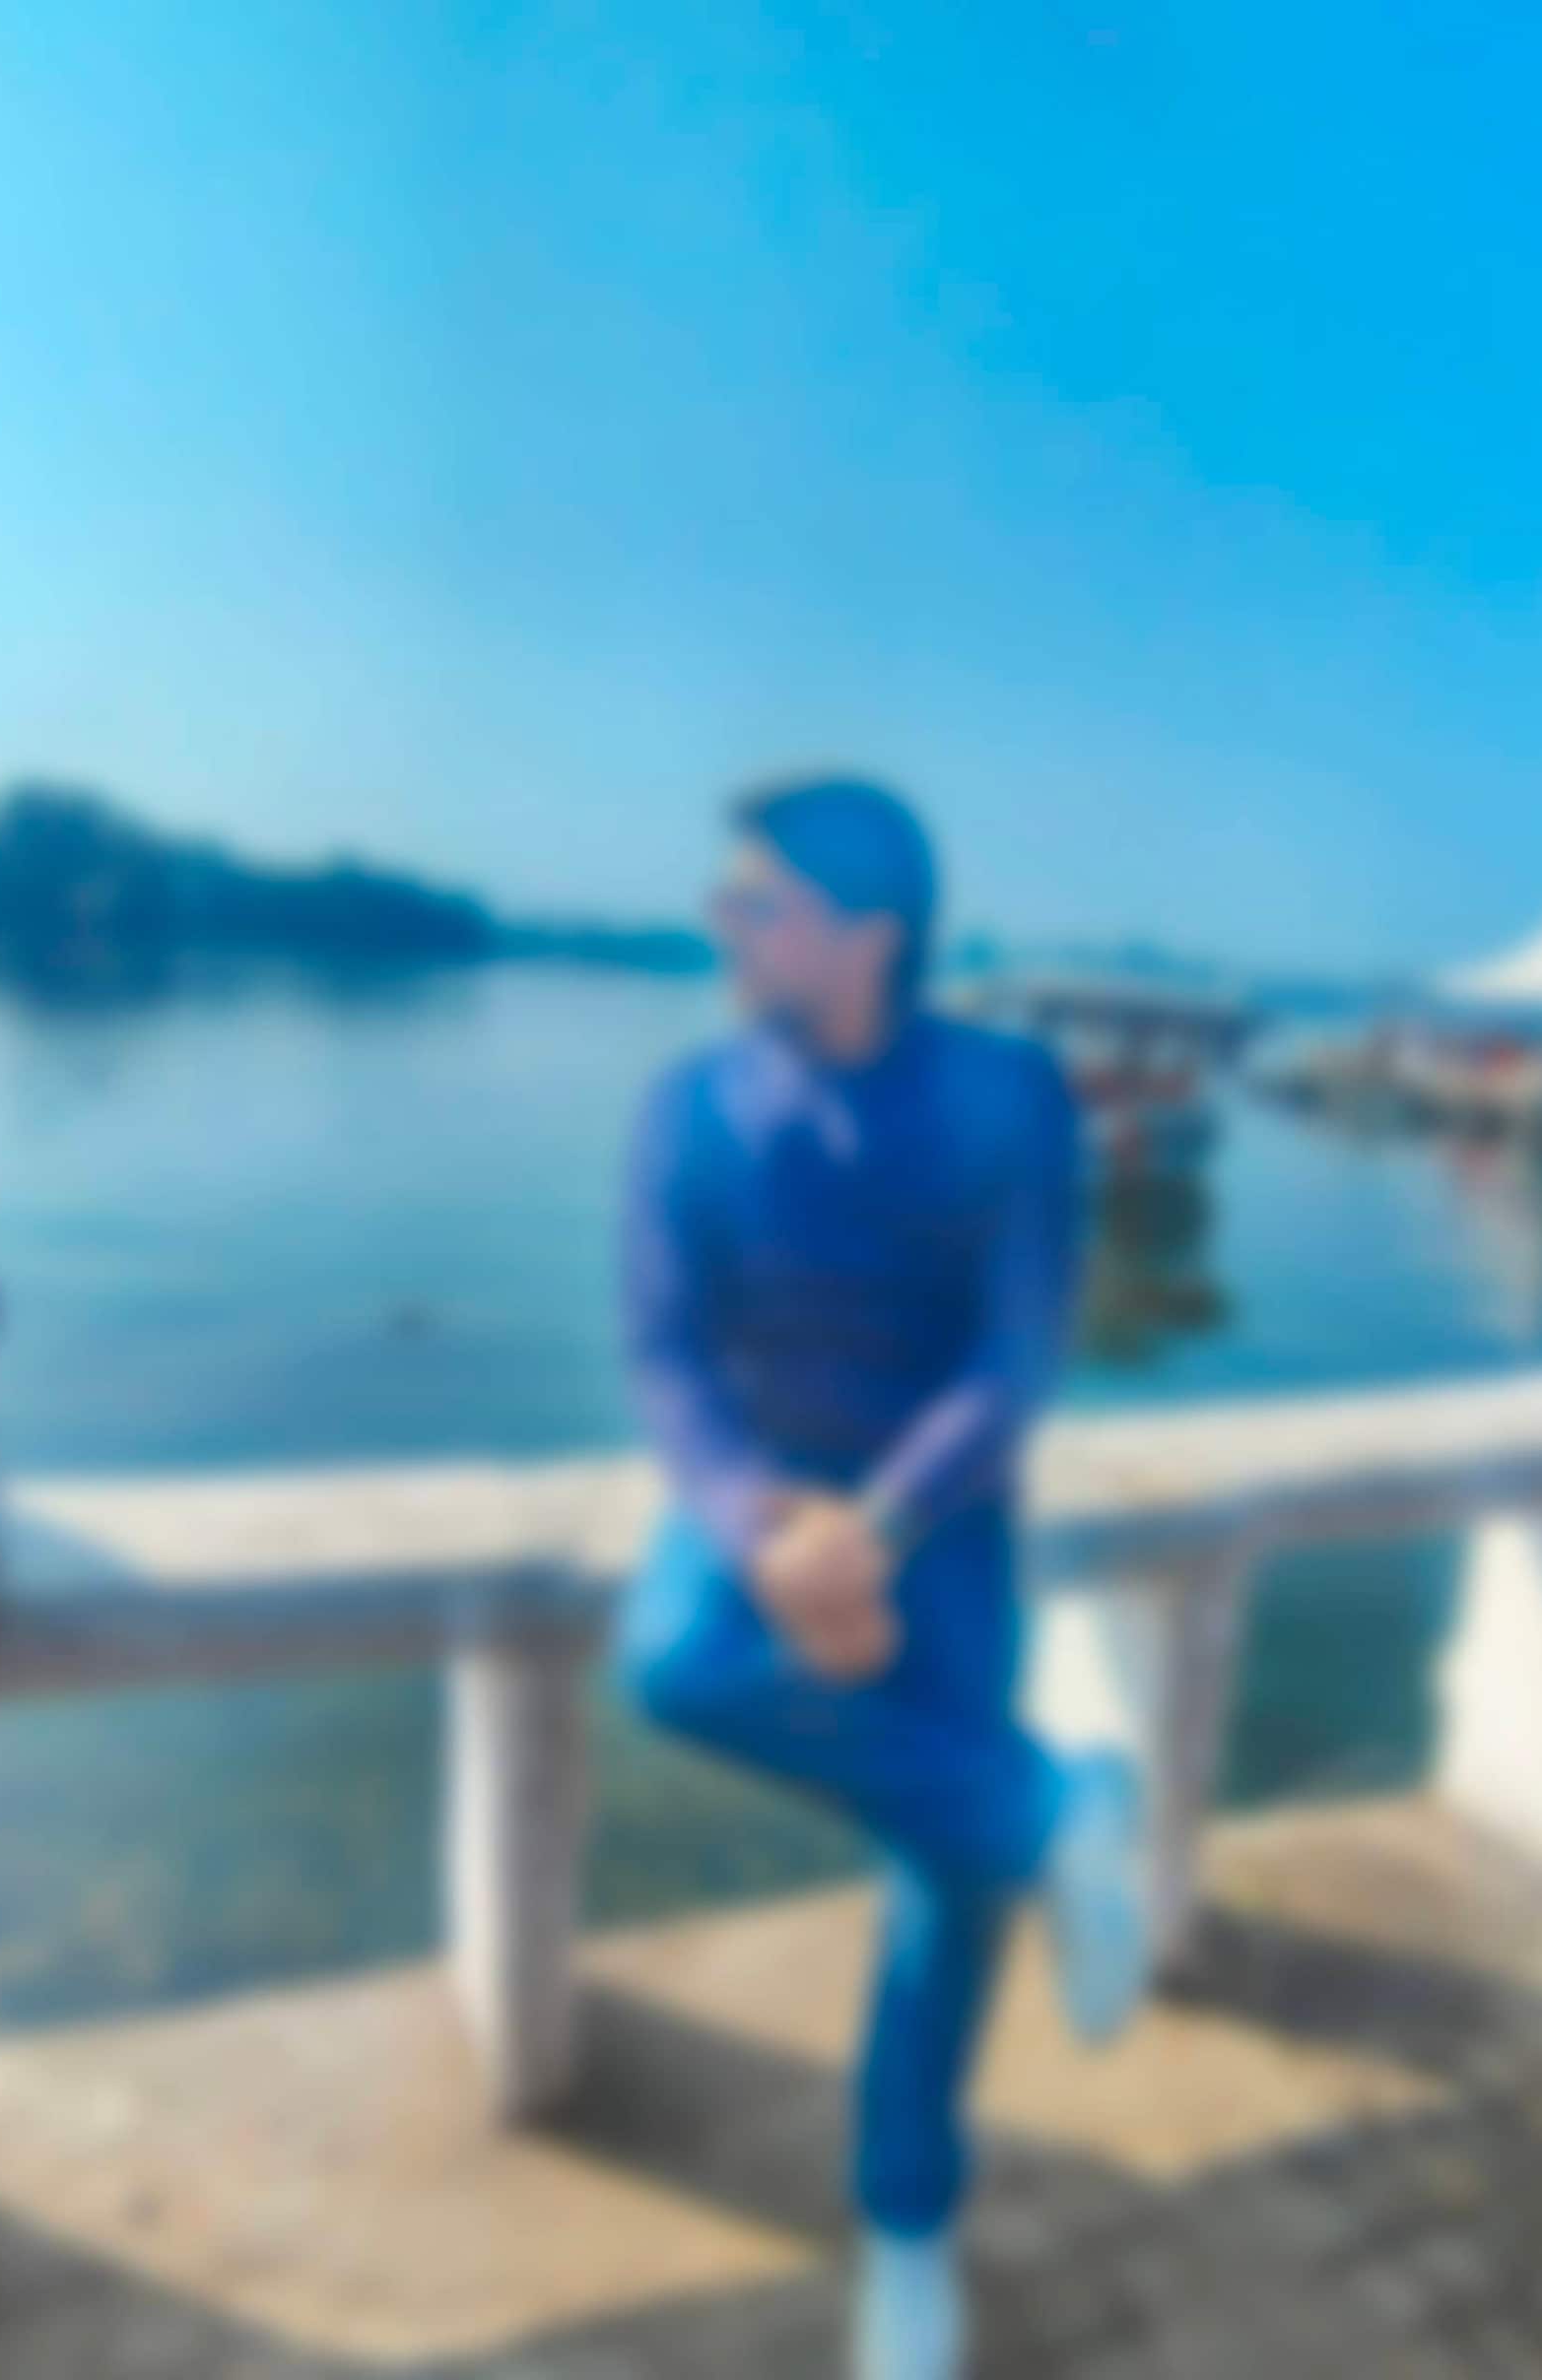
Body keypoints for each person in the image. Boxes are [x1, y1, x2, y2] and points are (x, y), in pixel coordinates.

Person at [615, 775, 1148, 2380]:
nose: (717, 923)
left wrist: (885, 1529)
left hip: (945, 1514)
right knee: (674, 1663)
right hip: (763, 1501)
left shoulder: (1008, 1099)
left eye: (753, 902)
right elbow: (665, 1356)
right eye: (722, 897)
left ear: (868, 936)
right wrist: (760, 1527)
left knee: (941, 1887)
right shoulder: (689, 1108)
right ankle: (1054, 1808)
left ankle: (907, 2235)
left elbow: (1019, 1354)